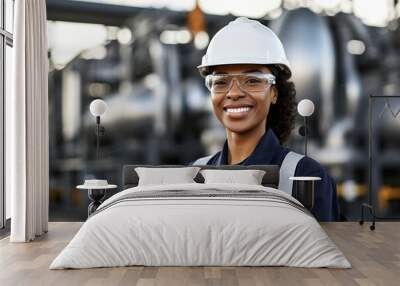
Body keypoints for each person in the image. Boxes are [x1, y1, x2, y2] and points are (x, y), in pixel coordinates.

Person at [191, 17, 340, 221]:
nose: (233, 93)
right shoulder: (194, 175)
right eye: (221, 81)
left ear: (274, 93)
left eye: (252, 80)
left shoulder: (306, 177)